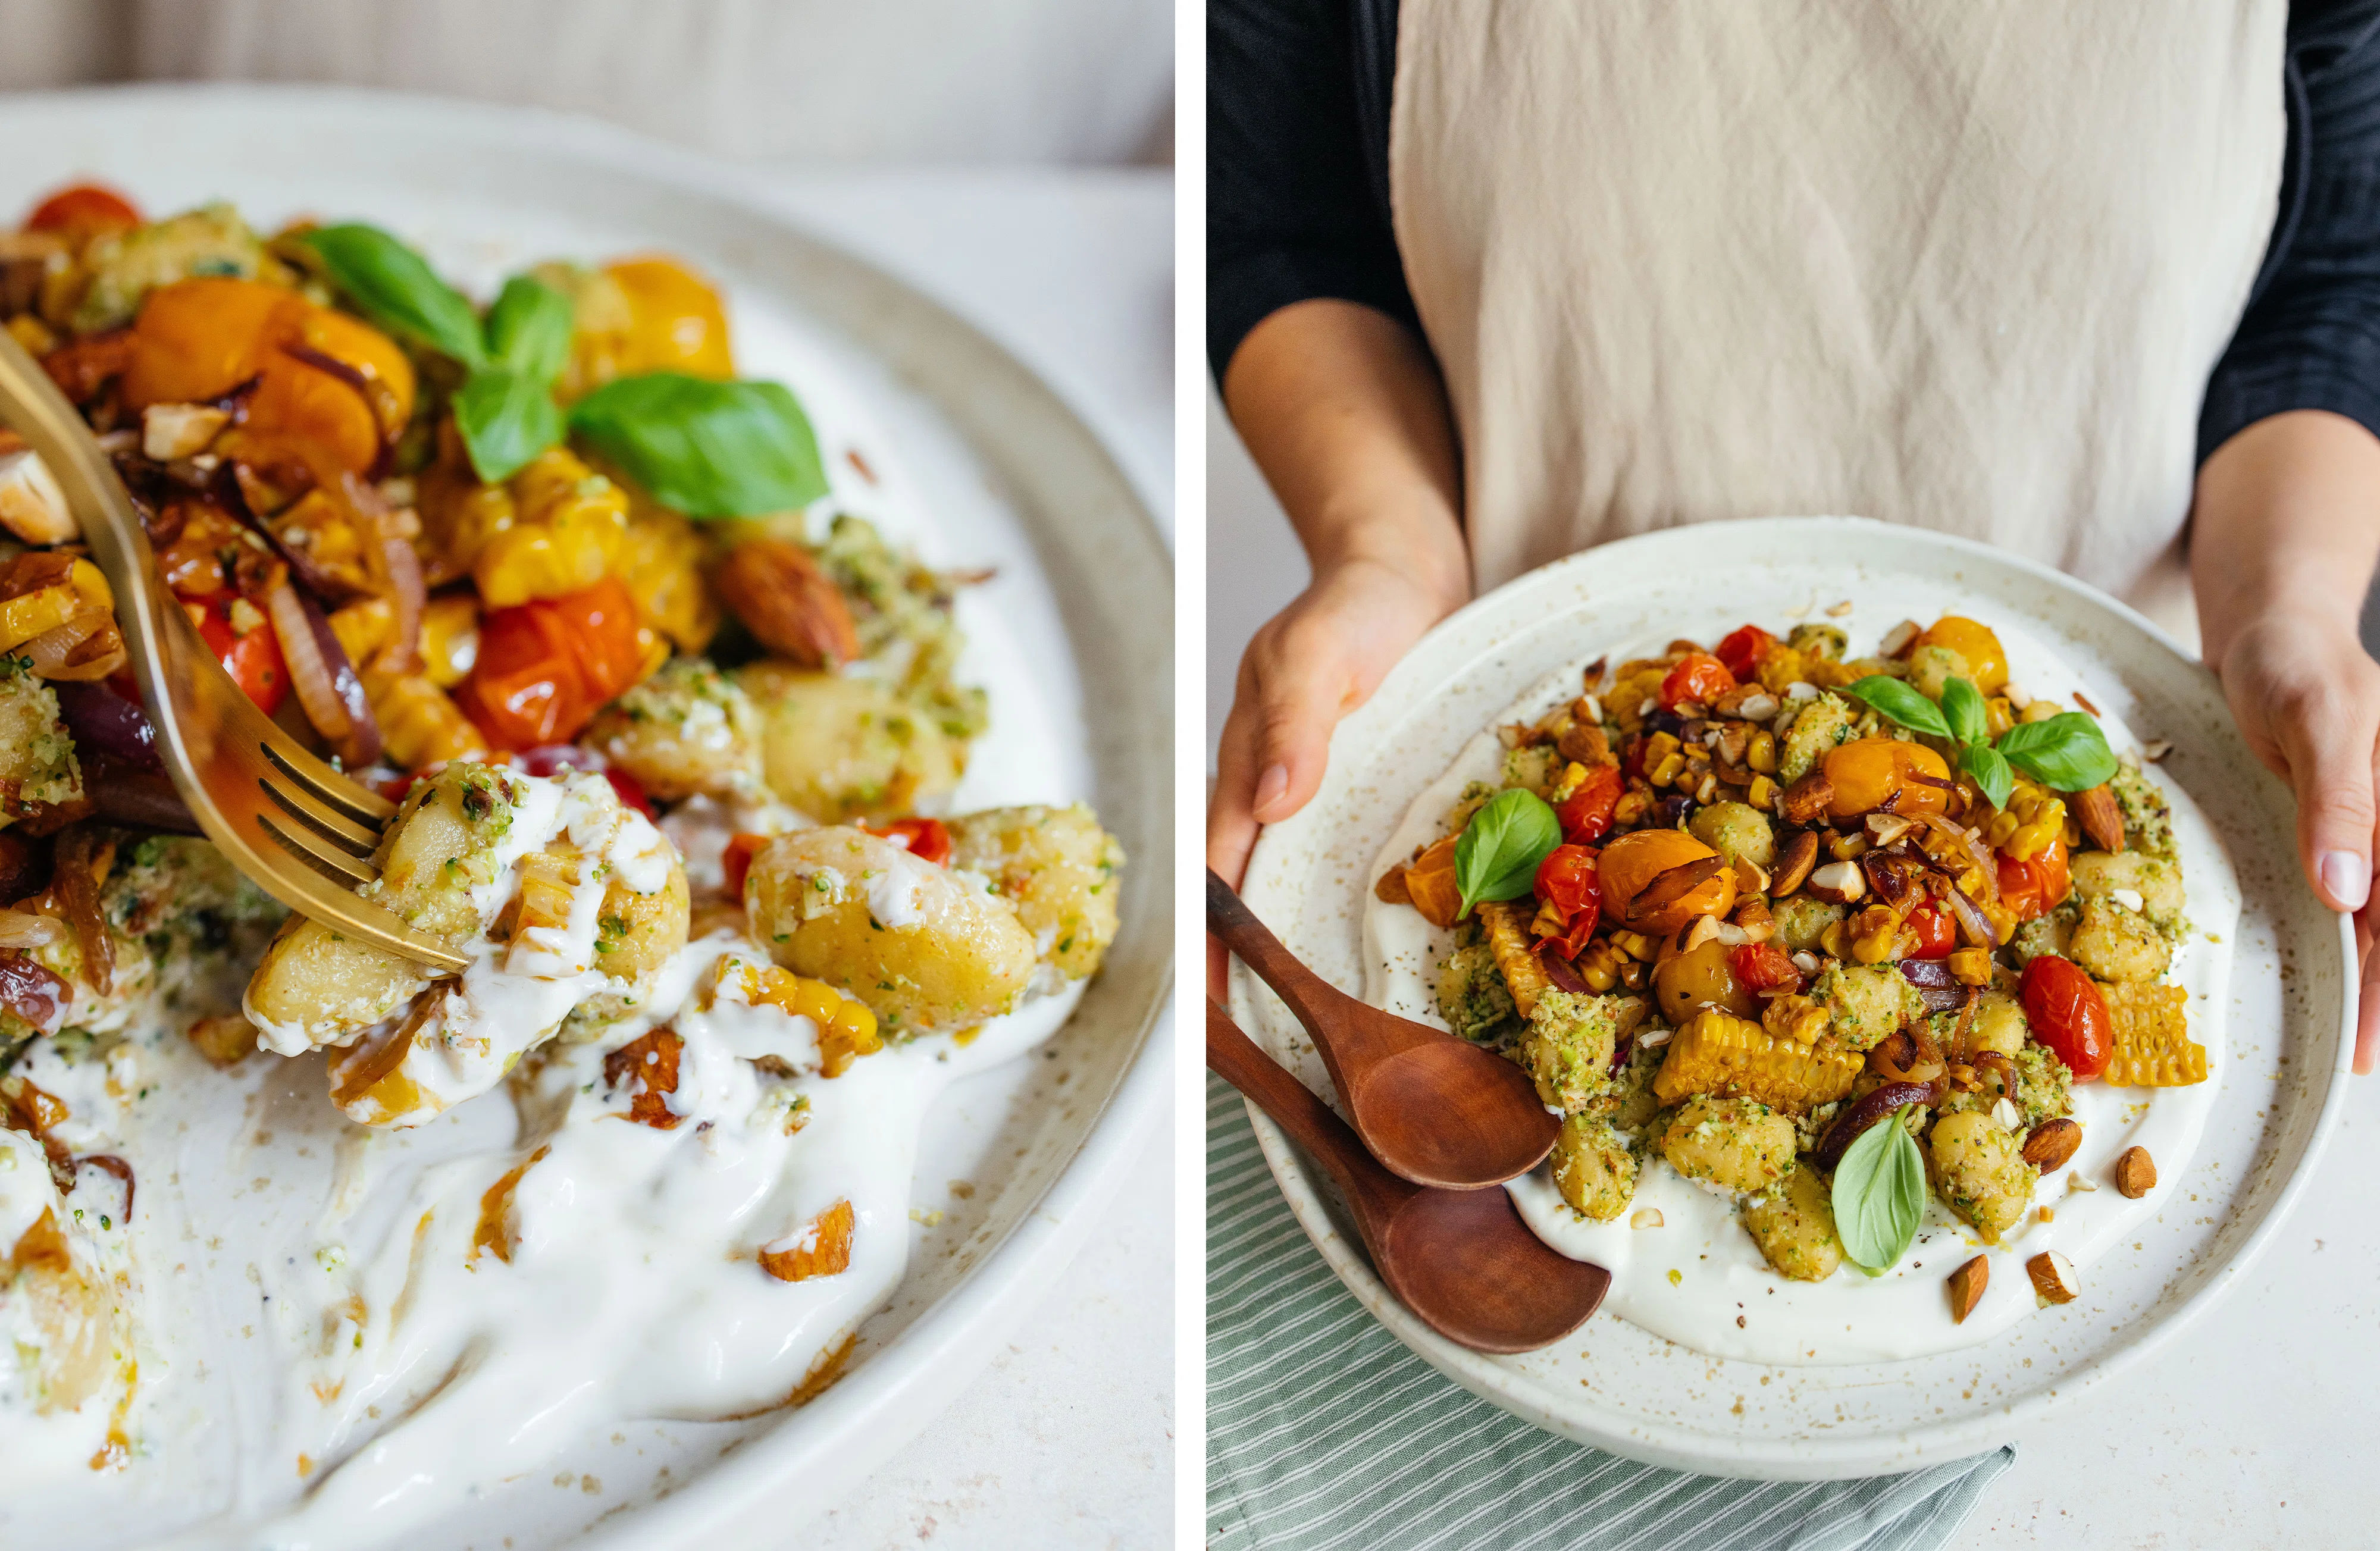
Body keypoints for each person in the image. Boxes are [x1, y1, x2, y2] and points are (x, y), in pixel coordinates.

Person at [1208, 0, 2380, 1070]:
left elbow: (2328, 279)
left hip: (2122, 724)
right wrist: (1385, 552)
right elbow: (1287, 234)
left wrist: (2288, 603)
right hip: (1530, 678)